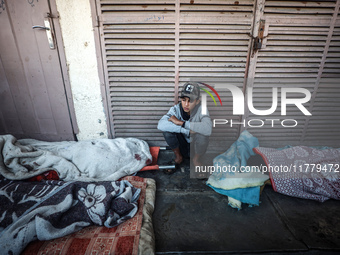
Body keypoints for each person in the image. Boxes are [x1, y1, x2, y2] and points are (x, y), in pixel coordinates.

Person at [157, 82, 212, 174]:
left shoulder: (202, 110)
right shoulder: (176, 109)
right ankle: (178, 158)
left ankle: (196, 160)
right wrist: (186, 130)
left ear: (197, 101)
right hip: (181, 145)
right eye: (183, 100)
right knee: (167, 132)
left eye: (190, 101)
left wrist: (181, 123)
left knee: (204, 134)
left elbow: (208, 129)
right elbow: (161, 125)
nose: (186, 104)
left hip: (195, 147)